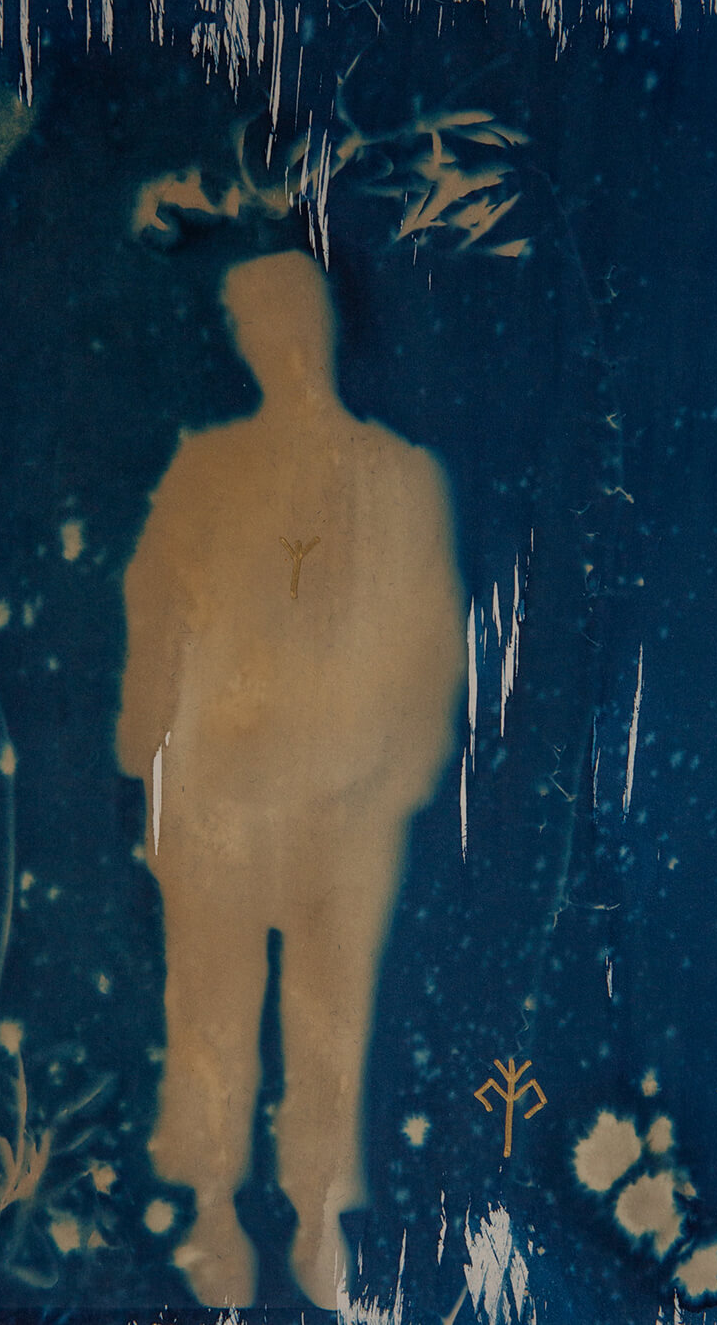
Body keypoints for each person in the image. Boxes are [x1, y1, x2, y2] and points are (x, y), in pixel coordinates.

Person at [116, 249, 464, 1308]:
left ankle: (316, 1213)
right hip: (220, 796)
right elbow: (157, 611)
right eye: (255, 327)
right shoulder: (208, 471)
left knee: (328, 1017)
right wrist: (148, 752)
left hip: (344, 803)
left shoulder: (397, 477)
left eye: (289, 321)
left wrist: (396, 774)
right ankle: (213, 1209)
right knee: (211, 1007)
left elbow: (431, 643)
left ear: (323, 327)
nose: (276, 345)